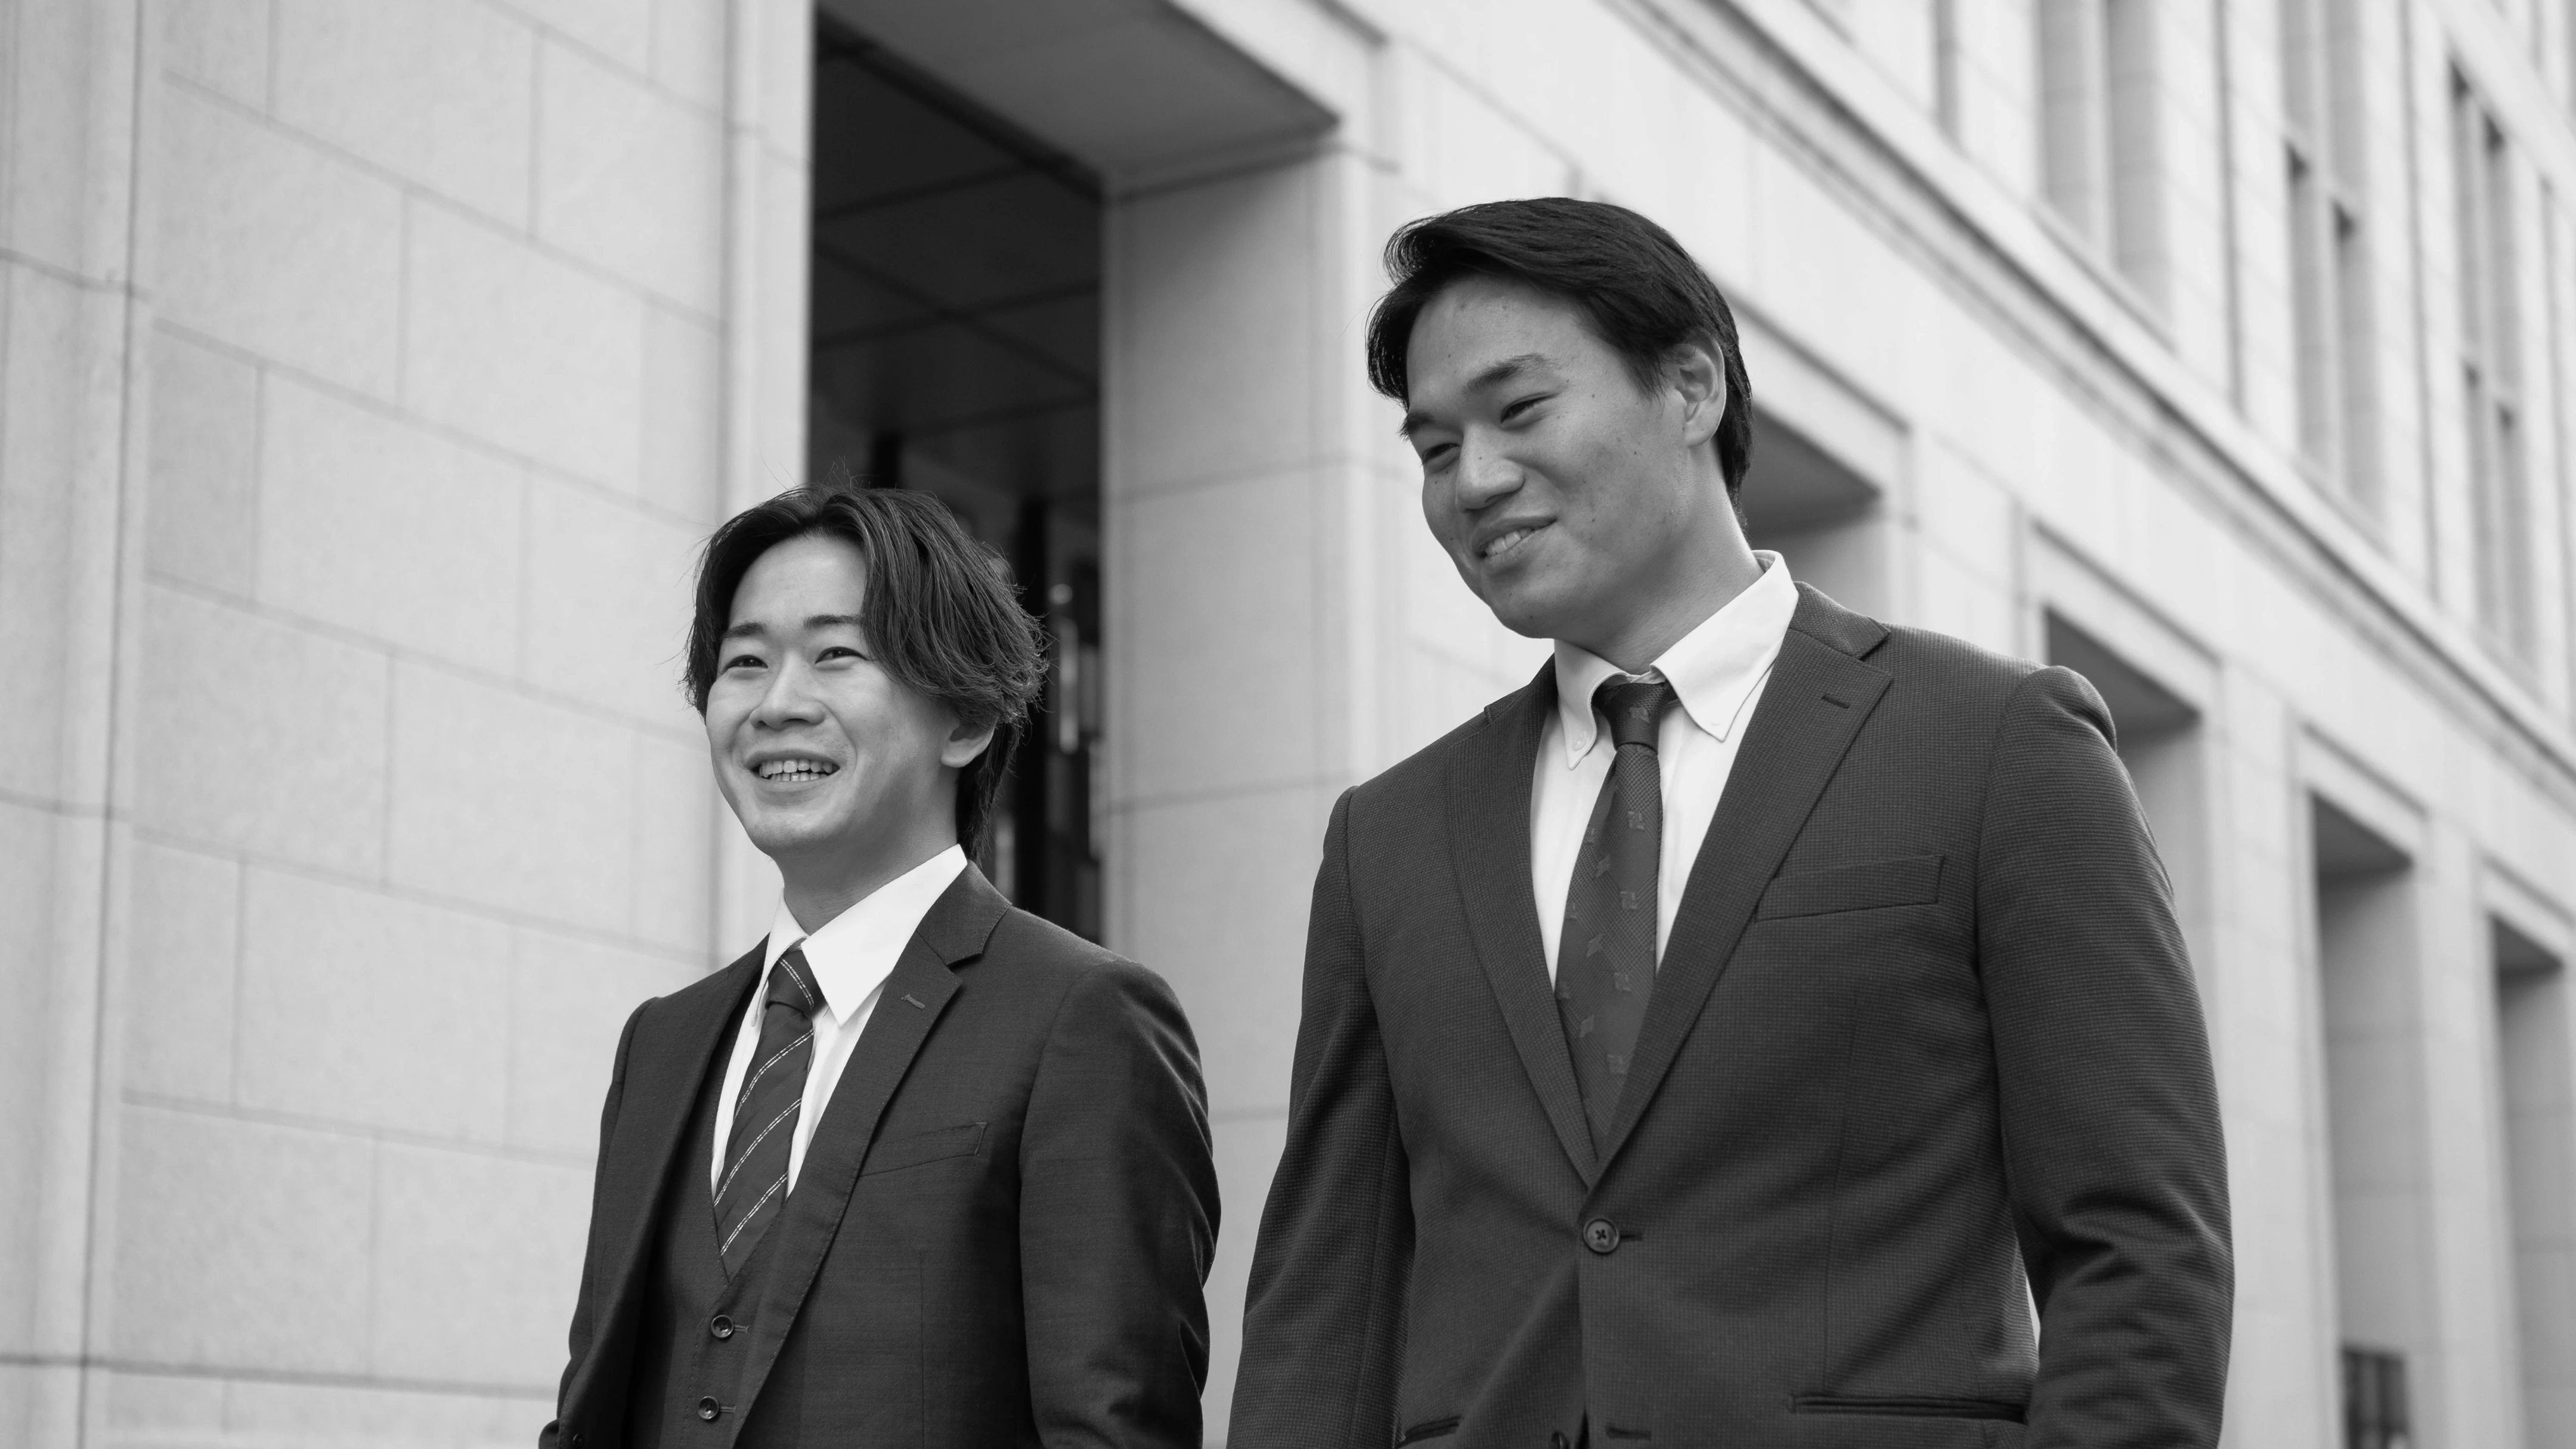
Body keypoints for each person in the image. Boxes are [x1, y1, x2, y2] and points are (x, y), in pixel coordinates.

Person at [1230, 199, 2231, 1448]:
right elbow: (1326, 1306)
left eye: (1520, 410)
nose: (1473, 480)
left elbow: (2139, 1253)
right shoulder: (1387, 839)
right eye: (1435, 449)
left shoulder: (1995, 746)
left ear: (1692, 386)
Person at [543, 478, 1218, 1449]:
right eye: (744, 662)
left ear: (966, 719)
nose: (778, 703)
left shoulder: (1084, 1018)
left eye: (836, 655)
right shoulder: (661, 1043)